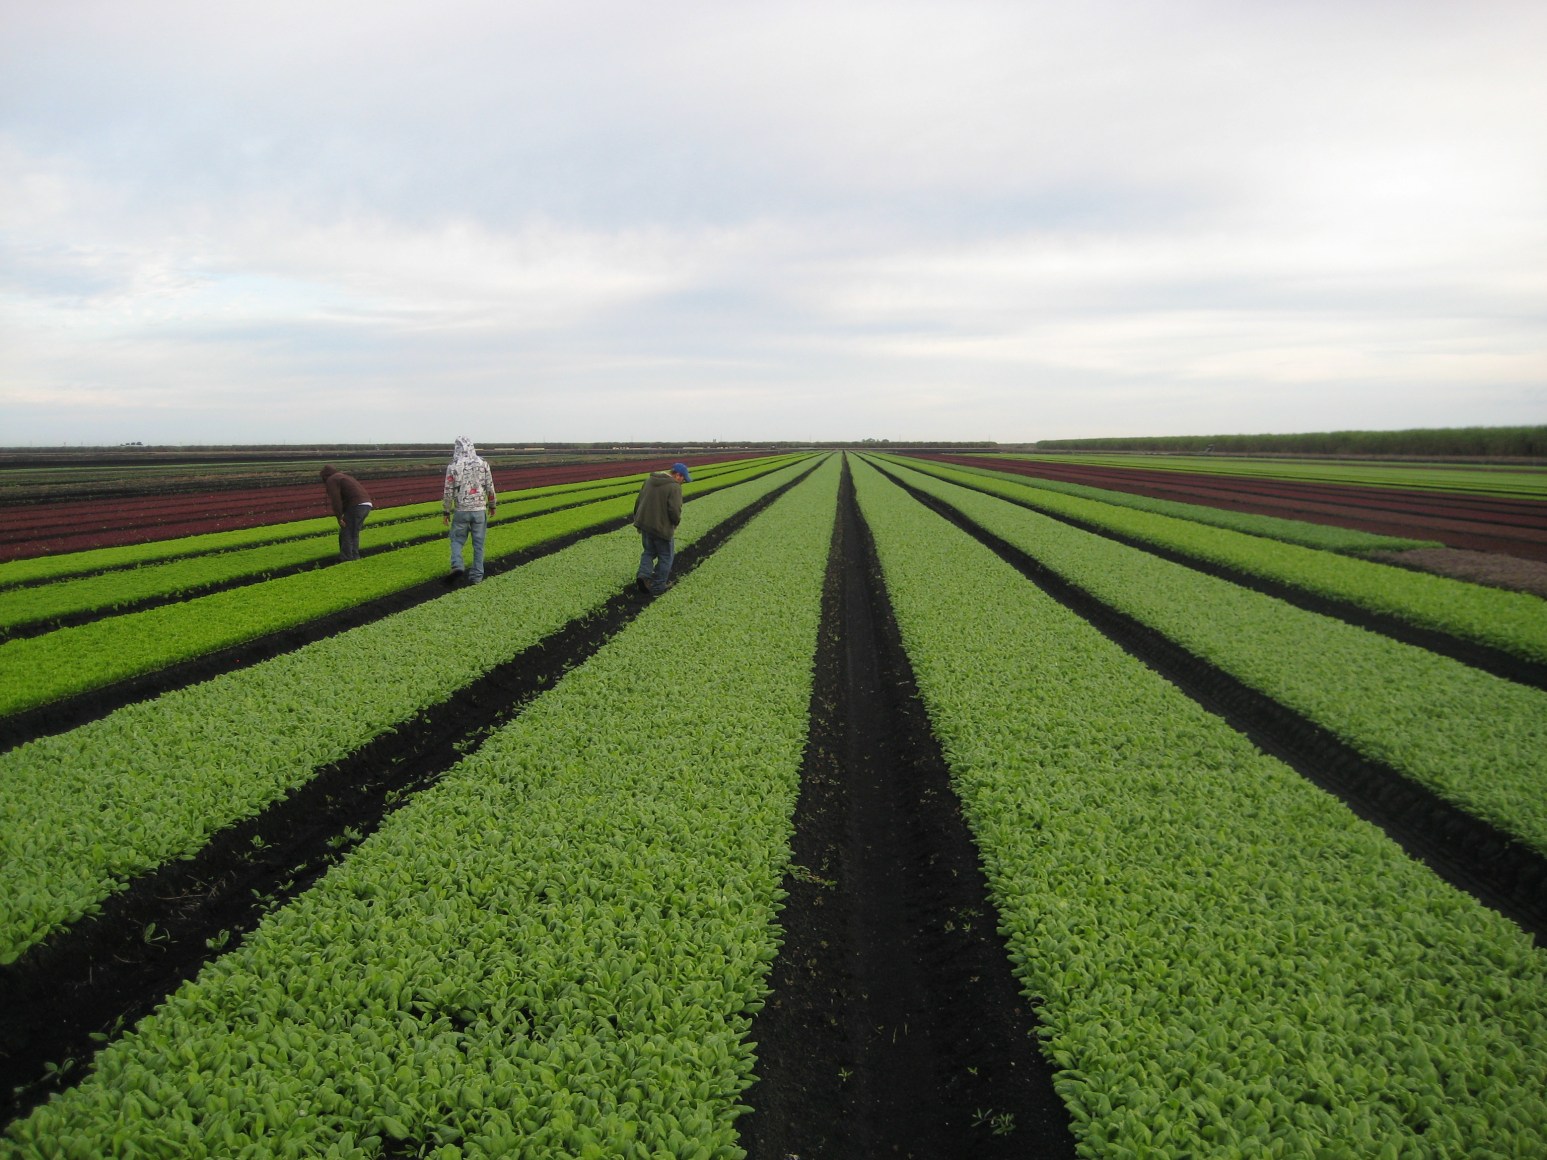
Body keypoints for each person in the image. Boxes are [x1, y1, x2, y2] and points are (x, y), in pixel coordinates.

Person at [442, 435, 498, 584]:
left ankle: (457, 565)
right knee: (478, 545)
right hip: (479, 510)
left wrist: (446, 511)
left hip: (461, 511)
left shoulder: (453, 466)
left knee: (456, 540)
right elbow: (489, 486)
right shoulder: (483, 463)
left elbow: (448, 491)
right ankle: (476, 577)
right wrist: (492, 505)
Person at [632, 461, 690, 596]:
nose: (683, 483)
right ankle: (658, 587)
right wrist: (675, 522)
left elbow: (638, 501)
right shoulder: (674, 487)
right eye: (684, 480)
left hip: (645, 524)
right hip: (661, 528)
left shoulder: (649, 481)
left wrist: (637, 520)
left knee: (648, 552)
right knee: (665, 556)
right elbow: (674, 509)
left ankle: (644, 576)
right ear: (678, 476)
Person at [319, 465, 372, 561]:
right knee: (353, 532)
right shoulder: (342, 476)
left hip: (356, 505)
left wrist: (339, 517)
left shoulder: (332, 479)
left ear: (325, 476)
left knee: (347, 532)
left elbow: (336, 500)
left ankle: (347, 559)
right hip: (366, 504)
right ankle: (355, 557)